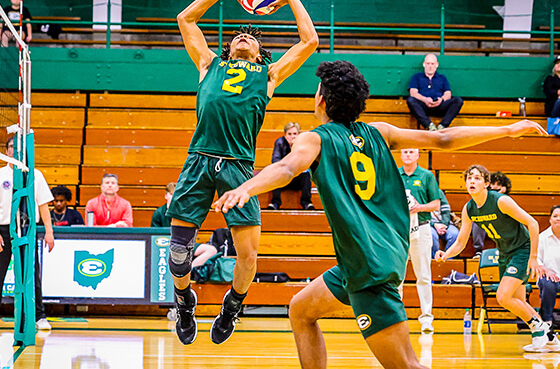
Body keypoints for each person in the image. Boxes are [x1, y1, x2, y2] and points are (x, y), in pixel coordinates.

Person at [213, 60, 546, 368]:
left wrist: (247, 188)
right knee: (301, 310)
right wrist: (507, 130)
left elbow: (287, 168)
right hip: (370, 258)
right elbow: (443, 137)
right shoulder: (380, 132)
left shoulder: (314, 139)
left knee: (407, 366)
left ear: (322, 101)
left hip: (368, 268)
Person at [167, 0, 317, 346]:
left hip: (238, 169)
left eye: (250, 38)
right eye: (238, 36)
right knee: (176, 253)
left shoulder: (267, 75)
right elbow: (185, 19)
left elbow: (309, 41)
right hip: (199, 160)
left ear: (259, 51)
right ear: (229, 46)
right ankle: (185, 302)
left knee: (248, 257)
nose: (243, 38)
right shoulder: (209, 64)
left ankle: (232, 307)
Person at [435, 165, 559, 353]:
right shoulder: (468, 209)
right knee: (517, 301)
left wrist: (533, 257)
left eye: (477, 178)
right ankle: (550, 338)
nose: (472, 181)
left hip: (522, 249)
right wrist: (446, 254)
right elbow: (461, 241)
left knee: (502, 296)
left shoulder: (501, 201)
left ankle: (538, 328)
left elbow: (532, 223)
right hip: (505, 252)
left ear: (486, 184)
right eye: (469, 178)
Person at [0, 136, 54, 331]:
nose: (14, 151)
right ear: (6, 150)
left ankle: (39, 316)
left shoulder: (35, 175)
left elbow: (43, 206)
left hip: (26, 230)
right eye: (11, 147)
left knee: (32, 275)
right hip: (4, 230)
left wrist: (49, 232)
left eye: (18, 148)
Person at [399, 148, 440, 333]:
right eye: (405, 151)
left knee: (423, 275)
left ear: (417, 155)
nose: (408, 154)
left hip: (422, 227)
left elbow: (436, 204)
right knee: (395, 277)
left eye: (411, 152)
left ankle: (426, 319)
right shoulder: (393, 174)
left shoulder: (426, 176)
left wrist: (419, 207)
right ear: (400, 155)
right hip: (398, 230)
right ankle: (396, 318)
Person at [407, 54, 464, 131]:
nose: (430, 66)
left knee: (458, 101)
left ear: (436, 65)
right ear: (424, 64)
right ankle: (429, 125)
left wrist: (441, 100)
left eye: (432, 63)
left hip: (439, 105)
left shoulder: (442, 78)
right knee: (411, 100)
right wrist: (425, 99)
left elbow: (448, 93)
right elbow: (413, 93)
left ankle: (442, 126)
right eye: (428, 63)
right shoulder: (416, 77)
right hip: (424, 105)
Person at [268, 122, 314, 210]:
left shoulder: (303, 144)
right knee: (275, 173)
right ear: (285, 135)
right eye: (289, 134)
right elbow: (275, 161)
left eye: (295, 134)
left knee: (306, 174)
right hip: (284, 177)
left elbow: (307, 162)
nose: (292, 136)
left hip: (298, 178)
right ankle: (275, 203)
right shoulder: (279, 142)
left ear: (299, 135)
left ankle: (307, 203)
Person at [472, 171, 512, 256]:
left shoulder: (506, 199)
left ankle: (506, 250)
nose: (495, 186)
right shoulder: (483, 196)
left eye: (498, 184)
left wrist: (499, 195)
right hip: (486, 223)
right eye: (493, 184)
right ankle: (478, 251)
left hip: (500, 224)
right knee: (476, 223)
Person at [536, 205, 560, 330]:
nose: (558, 219)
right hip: (549, 276)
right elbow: (536, 258)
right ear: (550, 219)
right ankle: (547, 321)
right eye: (555, 216)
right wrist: (545, 269)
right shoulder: (542, 238)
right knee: (548, 284)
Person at [431, 189, 459, 258]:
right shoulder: (420, 192)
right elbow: (421, 216)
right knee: (431, 235)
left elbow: (446, 211)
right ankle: (435, 259)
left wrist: (444, 225)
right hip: (429, 224)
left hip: (444, 224)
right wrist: (434, 224)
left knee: (454, 234)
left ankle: (448, 259)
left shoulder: (438, 192)